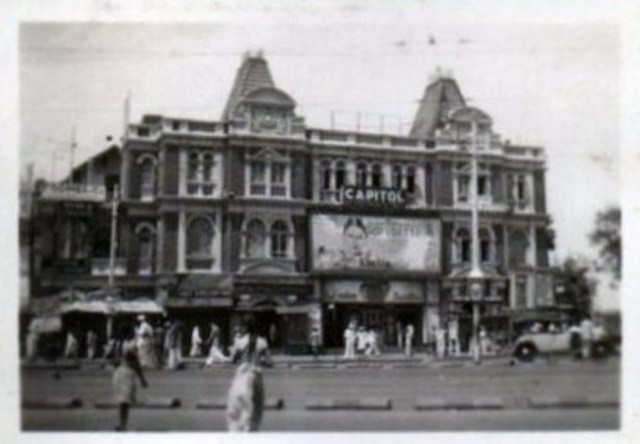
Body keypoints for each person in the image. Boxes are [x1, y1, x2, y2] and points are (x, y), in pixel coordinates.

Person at [226, 315, 273, 432]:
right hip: (256, 376)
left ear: (244, 328)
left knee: (237, 410)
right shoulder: (262, 342)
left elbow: (232, 360)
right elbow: (270, 362)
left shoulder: (240, 342)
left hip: (242, 375)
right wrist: (261, 360)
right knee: (256, 413)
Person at [113, 345, 148, 431]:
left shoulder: (126, 356)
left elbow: (137, 369)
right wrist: (143, 381)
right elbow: (138, 369)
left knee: (123, 402)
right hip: (125, 377)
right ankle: (122, 424)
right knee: (124, 402)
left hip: (121, 376)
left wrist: (143, 381)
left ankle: (122, 424)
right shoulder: (132, 356)